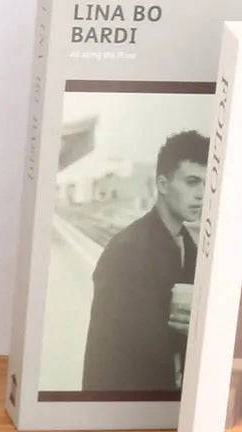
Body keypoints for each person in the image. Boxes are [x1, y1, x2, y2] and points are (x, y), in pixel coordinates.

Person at [82, 129, 208, 394]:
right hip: (130, 400)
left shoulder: (189, 246)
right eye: (192, 182)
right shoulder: (126, 252)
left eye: (206, 184)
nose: (201, 194)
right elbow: (111, 352)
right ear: (162, 184)